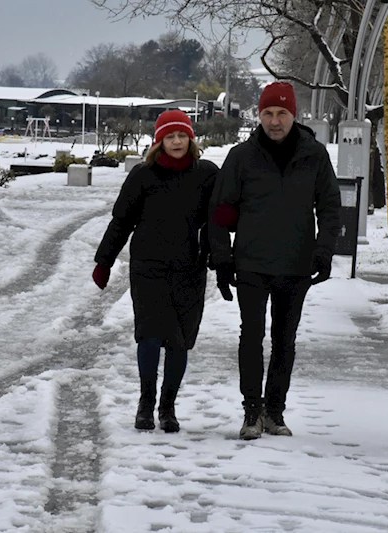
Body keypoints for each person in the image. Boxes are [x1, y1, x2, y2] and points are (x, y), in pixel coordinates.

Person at [209, 81, 342, 440]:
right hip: (251, 262)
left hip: (296, 264)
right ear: (259, 115)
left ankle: (274, 412)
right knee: (251, 337)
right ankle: (252, 411)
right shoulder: (241, 156)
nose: (274, 120)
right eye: (267, 113)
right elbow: (220, 211)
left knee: (285, 340)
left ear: (293, 115)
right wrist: (222, 258)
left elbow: (330, 207)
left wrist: (324, 250)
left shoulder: (314, 155)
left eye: (281, 113)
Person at [93, 109, 218, 433]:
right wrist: (104, 261)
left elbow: (221, 218)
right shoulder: (142, 175)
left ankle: (168, 408)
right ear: (159, 141)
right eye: (169, 136)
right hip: (148, 268)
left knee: (179, 341)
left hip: (189, 269)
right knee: (149, 336)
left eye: (182, 135)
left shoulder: (206, 174)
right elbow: (121, 221)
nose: (176, 142)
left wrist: (222, 257)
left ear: (190, 139)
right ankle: (146, 404)